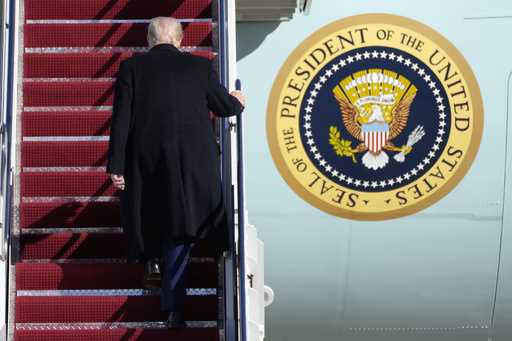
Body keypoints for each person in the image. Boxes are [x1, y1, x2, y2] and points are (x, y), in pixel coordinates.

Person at [106, 16, 246, 328]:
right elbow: (225, 107)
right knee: (190, 226)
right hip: (194, 164)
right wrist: (238, 101)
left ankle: (158, 272)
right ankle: (188, 299)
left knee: (158, 220)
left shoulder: (132, 68)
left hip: (147, 161)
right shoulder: (199, 67)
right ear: (180, 41)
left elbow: (122, 120)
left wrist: (116, 165)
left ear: (149, 41)